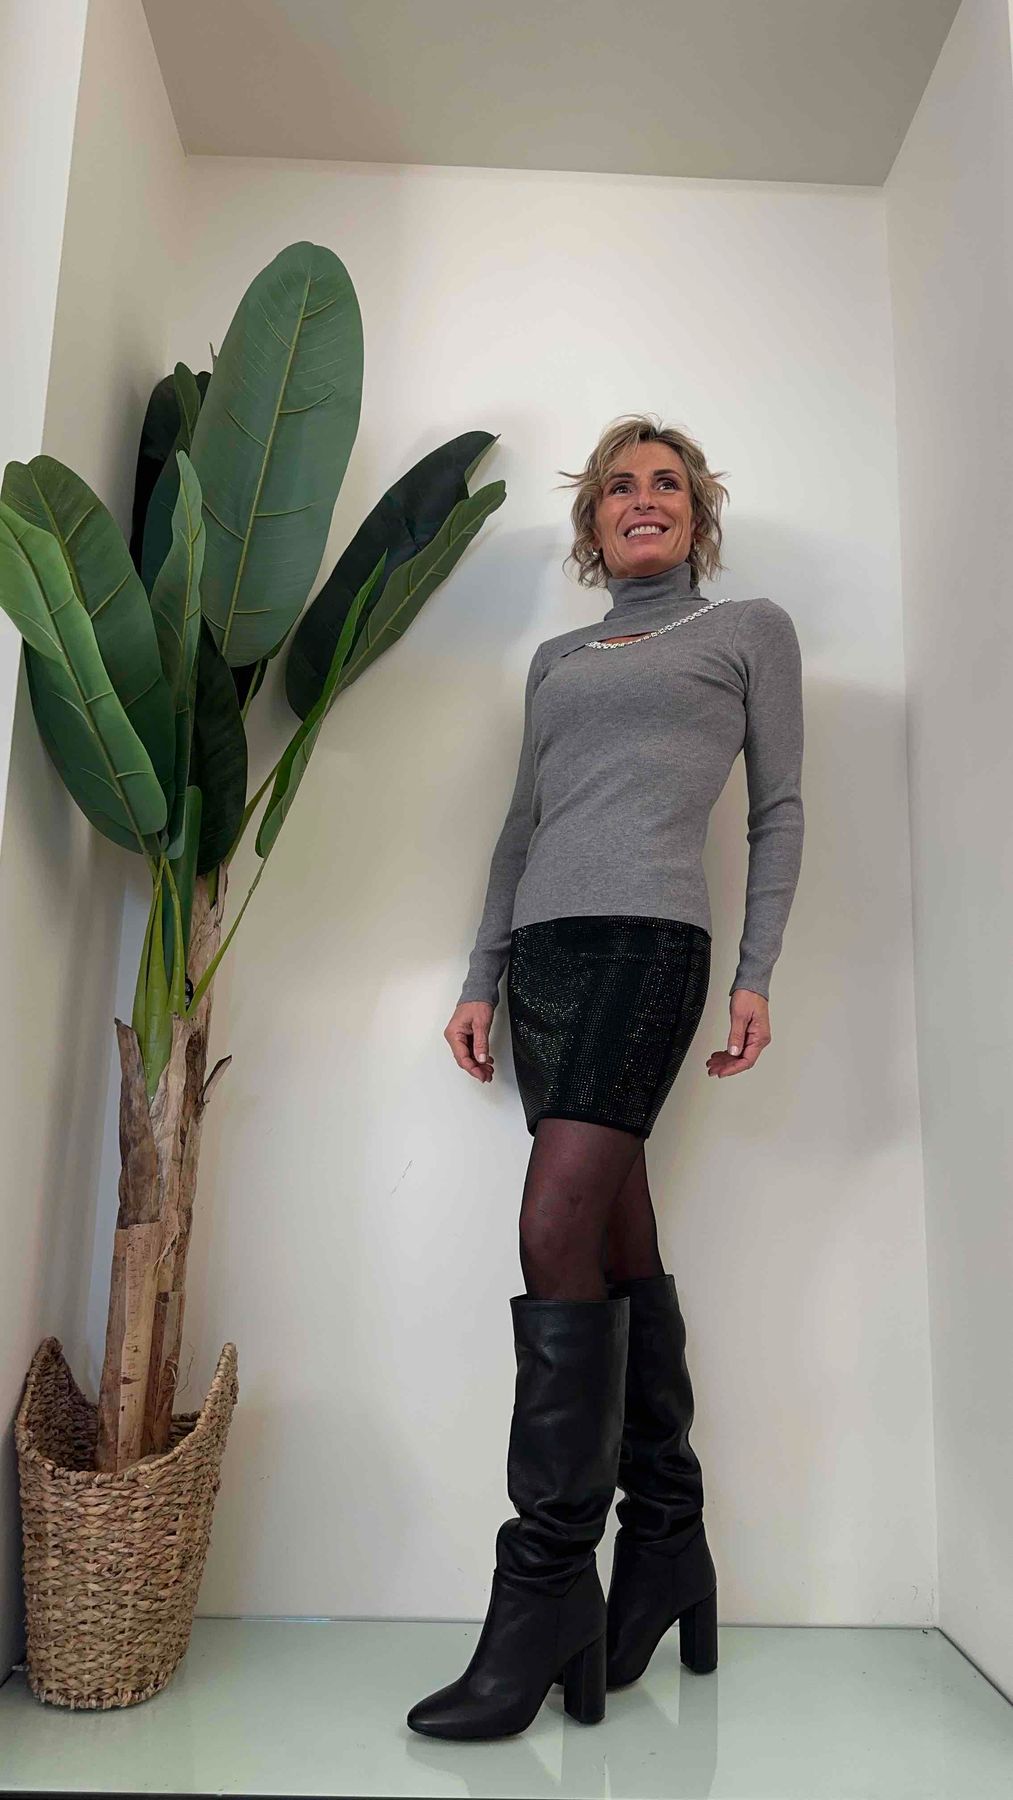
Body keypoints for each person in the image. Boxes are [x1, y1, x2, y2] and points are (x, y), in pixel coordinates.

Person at [406, 413, 805, 1741]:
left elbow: (778, 811)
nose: (645, 500)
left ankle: (543, 1593)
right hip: (547, 957)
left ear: (697, 513)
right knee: (615, 1239)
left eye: (668, 485)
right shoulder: (557, 660)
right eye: (620, 486)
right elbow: (520, 823)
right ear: (592, 523)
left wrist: (754, 971)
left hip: (649, 946)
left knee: (550, 1226)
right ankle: (668, 1547)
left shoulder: (745, 632)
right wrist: (482, 974)